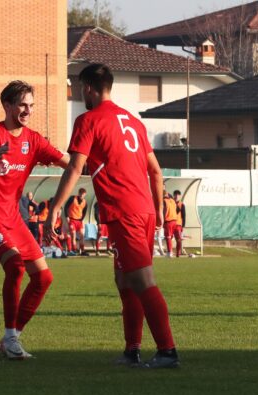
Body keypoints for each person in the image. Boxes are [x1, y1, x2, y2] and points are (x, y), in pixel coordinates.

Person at [46, 63, 179, 368]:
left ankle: (168, 351)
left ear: (89, 88)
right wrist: (157, 210)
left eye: (82, 89)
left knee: (143, 280)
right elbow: (155, 171)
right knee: (125, 280)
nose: (82, 95)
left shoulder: (88, 120)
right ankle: (132, 351)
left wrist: (55, 207)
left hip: (126, 210)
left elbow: (75, 167)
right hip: (141, 208)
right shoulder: (132, 121)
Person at [0, 80, 69, 359]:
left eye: (31, 105)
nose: (28, 110)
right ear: (7, 105)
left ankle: (12, 338)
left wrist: (100, 166)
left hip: (11, 217)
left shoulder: (33, 141)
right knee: (15, 266)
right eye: (22, 104)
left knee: (44, 277)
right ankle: (11, 340)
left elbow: (68, 162)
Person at [65, 188, 89, 256]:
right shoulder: (72, 198)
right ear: (78, 193)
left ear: (85, 194)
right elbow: (66, 207)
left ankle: (82, 250)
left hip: (79, 221)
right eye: (80, 194)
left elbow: (84, 212)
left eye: (83, 194)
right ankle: (74, 250)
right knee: (73, 235)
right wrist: (67, 216)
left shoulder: (85, 202)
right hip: (72, 220)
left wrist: (81, 219)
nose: (81, 195)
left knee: (82, 235)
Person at [162, 190, 178, 258]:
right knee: (170, 237)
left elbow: (164, 210)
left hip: (168, 220)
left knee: (168, 237)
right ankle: (171, 251)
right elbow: (175, 209)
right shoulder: (172, 200)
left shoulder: (164, 201)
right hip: (174, 220)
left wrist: (162, 220)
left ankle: (170, 252)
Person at [173, 190, 186, 257]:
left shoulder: (182, 204)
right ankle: (169, 253)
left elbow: (183, 215)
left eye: (178, 195)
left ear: (179, 196)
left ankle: (178, 253)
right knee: (168, 238)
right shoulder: (171, 203)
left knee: (178, 239)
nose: (176, 196)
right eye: (175, 195)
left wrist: (183, 225)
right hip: (170, 223)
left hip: (178, 224)